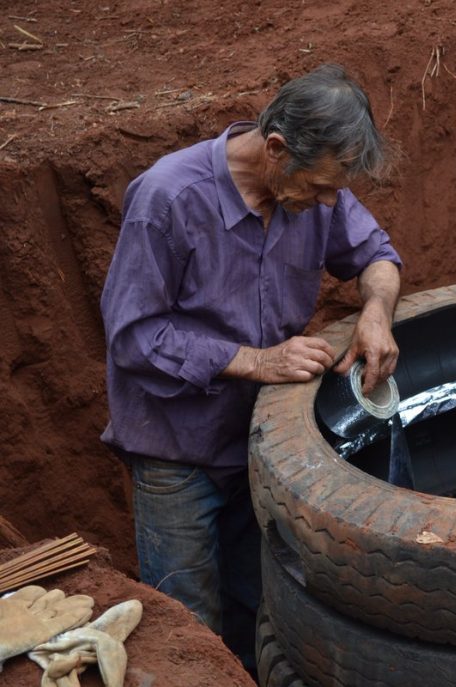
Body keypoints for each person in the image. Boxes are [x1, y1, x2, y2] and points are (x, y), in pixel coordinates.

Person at [99, 64, 402, 672]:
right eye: (320, 188)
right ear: (275, 148)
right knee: (187, 627)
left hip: (262, 448)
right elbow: (134, 335)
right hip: (177, 452)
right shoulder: (169, 199)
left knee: (259, 605)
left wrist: (376, 310)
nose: (327, 204)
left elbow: (376, 254)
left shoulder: (315, 189)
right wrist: (258, 359)